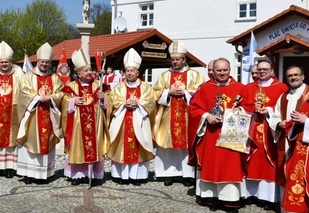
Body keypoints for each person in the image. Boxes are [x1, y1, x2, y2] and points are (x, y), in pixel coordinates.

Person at [188, 58, 250, 213]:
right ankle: (210, 197)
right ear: (213, 71)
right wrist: (206, 116)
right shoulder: (204, 88)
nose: (222, 73)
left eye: (225, 70)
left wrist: (240, 111)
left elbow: (249, 106)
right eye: (219, 70)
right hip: (211, 133)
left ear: (230, 70)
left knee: (231, 165)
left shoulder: (240, 88)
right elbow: (194, 108)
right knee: (210, 163)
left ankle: (230, 199)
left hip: (231, 135)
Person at [153, 41, 204, 187]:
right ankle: (169, 173)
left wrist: (186, 92)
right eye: (173, 59)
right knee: (167, 144)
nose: (175, 62)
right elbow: (155, 92)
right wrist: (168, 92)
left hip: (188, 115)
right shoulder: (164, 76)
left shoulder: (195, 75)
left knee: (186, 145)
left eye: (178, 59)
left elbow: (201, 93)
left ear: (184, 59)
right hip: (168, 115)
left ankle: (187, 174)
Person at [107, 48, 157, 185]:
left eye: (132, 71)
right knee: (120, 146)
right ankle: (120, 175)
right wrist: (124, 104)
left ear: (137, 72)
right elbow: (113, 101)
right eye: (127, 70)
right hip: (123, 122)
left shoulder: (146, 87)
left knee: (138, 145)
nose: (129, 73)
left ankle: (138, 176)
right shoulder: (118, 87)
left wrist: (138, 104)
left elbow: (151, 102)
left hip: (139, 122)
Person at [16, 42, 64, 184]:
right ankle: (28, 174)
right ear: (38, 61)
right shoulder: (27, 77)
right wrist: (37, 98)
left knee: (46, 142)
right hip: (32, 115)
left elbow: (61, 93)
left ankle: (44, 174)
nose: (44, 64)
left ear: (50, 63)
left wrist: (51, 97)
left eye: (47, 62)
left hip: (49, 115)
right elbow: (23, 93)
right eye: (42, 62)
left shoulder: (55, 78)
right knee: (30, 142)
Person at [61, 49, 109, 186]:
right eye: (86, 71)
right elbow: (64, 102)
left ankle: (93, 174)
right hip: (77, 125)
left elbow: (110, 102)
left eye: (90, 70)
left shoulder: (99, 86)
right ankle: (77, 175)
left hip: (95, 125)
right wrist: (72, 102)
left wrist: (104, 98)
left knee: (94, 146)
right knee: (78, 147)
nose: (89, 73)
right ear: (78, 73)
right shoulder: (70, 87)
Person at [245, 60, 288, 210]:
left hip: (271, 132)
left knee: (269, 162)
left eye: (265, 69)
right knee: (251, 161)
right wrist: (252, 107)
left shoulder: (282, 88)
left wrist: (269, 110)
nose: (262, 72)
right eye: (260, 69)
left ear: (272, 71)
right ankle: (251, 194)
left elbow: (284, 109)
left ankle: (269, 198)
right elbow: (241, 105)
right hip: (252, 129)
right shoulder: (249, 88)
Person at [269, 66, 309, 213]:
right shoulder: (283, 96)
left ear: (303, 76)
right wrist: (279, 124)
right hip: (285, 143)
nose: (293, 78)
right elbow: (274, 116)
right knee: (285, 175)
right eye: (290, 76)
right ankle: (285, 211)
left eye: (296, 75)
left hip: (304, 145)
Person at [280, 74, 309, 213]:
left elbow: (305, 121)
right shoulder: (307, 102)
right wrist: (292, 124)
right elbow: (295, 125)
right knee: (297, 190)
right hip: (301, 153)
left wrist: (306, 122)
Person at [0, 41, 23, 178]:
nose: (4, 64)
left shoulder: (19, 74)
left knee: (12, 140)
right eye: (1, 62)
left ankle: (11, 168)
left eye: (6, 62)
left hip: (14, 112)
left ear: (10, 61)